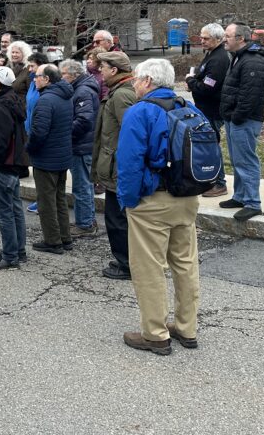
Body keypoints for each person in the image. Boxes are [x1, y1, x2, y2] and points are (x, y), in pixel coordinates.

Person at [117, 58, 201, 356]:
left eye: (137, 79)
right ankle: (187, 328)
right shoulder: (188, 107)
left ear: (148, 82)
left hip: (153, 200)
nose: (134, 84)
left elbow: (128, 161)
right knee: (185, 263)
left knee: (149, 268)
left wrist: (127, 200)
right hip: (188, 197)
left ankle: (155, 334)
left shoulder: (140, 112)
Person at [90, 51, 137, 279]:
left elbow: (132, 135)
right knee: (116, 219)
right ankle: (126, 261)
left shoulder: (122, 96)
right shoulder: (118, 92)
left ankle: (126, 264)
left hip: (118, 171)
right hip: (114, 167)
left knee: (117, 220)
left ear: (115, 70)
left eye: (104, 66)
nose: (100, 70)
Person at [219, 23, 264, 221]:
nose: (225, 39)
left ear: (241, 38)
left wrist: (237, 116)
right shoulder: (239, 57)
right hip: (235, 119)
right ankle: (240, 197)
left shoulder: (253, 61)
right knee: (237, 159)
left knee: (246, 160)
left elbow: (250, 96)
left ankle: (252, 203)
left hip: (245, 120)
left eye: (228, 36)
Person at [0, 65, 29, 269]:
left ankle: (10, 255)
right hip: (13, 164)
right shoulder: (12, 101)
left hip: (3, 166)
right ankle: (19, 250)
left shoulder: (1, 107)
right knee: (15, 209)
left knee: (4, 213)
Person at [26, 64, 74, 254]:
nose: (34, 79)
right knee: (59, 199)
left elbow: (39, 133)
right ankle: (65, 237)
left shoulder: (46, 100)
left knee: (46, 201)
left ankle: (53, 241)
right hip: (62, 156)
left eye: (37, 76)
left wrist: (29, 148)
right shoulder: (65, 96)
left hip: (47, 158)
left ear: (46, 79)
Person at [185, 23, 231, 197]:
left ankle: (219, 183)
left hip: (213, 110)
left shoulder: (219, 59)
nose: (201, 41)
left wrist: (191, 82)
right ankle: (212, 179)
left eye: (206, 38)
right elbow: (203, 80)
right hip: (206, 108)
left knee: (212, 146)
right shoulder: (212, 54)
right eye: (201, 37)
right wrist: (194, 81)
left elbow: (208, 87)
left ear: (218, 39)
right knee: (210, 145)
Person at [60, 59, 100, 237]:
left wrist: (65, 133)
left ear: (74, 75)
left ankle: (85, 224)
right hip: (83, 144)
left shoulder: (82, 91)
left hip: (82, 146)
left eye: (64, 74)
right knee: (85, 185)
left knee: (81, 186)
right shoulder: (81, 88)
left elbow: (84, 120)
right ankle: (87, 220)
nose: (61, 78)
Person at [22, 51, 49, 215]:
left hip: (40, 131)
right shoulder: (33, 82)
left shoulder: (45, 84)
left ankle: (44, 201)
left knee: (43, 170)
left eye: (32, 66)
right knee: (37, 170)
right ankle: (40, 198)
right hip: (30, 129)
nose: (29, 69)